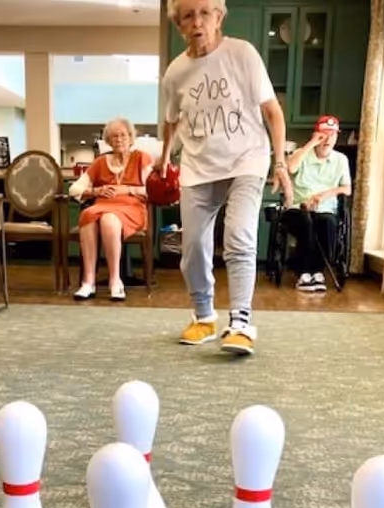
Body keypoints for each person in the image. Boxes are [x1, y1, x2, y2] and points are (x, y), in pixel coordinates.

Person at [159, 0, 292, 356]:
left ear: (219, 16)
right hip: (198, 166)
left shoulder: (242, 54)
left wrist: (280, 163)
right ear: (179, 24)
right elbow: (172, 120)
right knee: (192, 249)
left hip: (247, 159)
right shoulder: (175, 72)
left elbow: (272, 111)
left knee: (239, 236)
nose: (198, 21)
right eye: (188, 15)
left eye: (205, 12)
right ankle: (204, 316)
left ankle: (241, 322)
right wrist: (163, 158)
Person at [68, 117, 153, 301]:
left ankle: (115, 280)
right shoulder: (100, 162)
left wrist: (129, 189)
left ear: (131, 138)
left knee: (109, 218)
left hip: (131, 208)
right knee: (88, 214)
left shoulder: (141, 158)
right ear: (107, 140)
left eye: (123, 135)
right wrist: (96, 191)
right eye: (114, 136)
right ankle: (88, 282)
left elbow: (151, 190)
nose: (119, 139)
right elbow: (73, 189)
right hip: (102, 205)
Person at [282, 115, 352, 293]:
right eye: (323, 135)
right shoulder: (302, 154)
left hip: (325, 209)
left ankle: (317, 272)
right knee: (306, 223)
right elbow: (290, 169)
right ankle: (304, 273)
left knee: (327, 223)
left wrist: (325, 195)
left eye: (332, 135)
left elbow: (347, 188)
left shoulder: (340, 159)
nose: (328, 139)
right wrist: (311, 144)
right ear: (315, 135)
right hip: (298, 208)